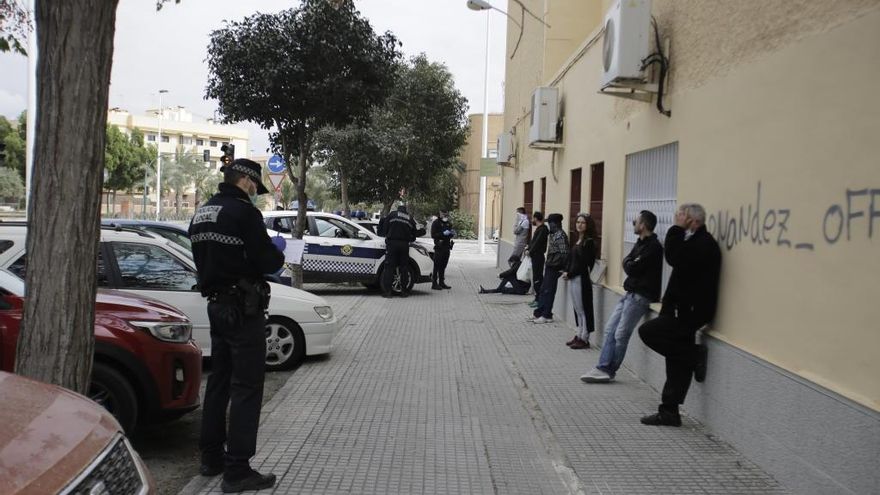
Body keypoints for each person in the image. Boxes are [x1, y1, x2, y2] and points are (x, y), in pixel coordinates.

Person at [188, 158, 285, 493]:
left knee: (219, 383)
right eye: (254, 188)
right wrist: (277, 252)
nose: (255, 195)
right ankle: (238, 470)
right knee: (247, 387)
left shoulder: (202, 212)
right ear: (245, 181)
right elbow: (268, 260)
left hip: (216, 306)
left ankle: (211, 458)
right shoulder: (244, 213)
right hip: (243, 310)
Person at [638, 203, 721, 427]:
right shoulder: (694, 240)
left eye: (681, 216)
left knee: (648, 332)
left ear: (692, 220)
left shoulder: (703, 243)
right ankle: (670, 412)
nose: (677, 218)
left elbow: (674, 257)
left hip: (689, 311)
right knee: (676, 362)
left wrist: (676, 229)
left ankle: (693, 355)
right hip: (681, 308)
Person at [581, 210, 663, 382]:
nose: (633, 224)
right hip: (629, 293)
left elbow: (633, 267)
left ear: (644, 225)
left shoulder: (653, 247)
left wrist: (630, 263)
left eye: (636, 222)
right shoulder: (640, 243)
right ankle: (602, 366)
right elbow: (627, 261)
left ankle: (609, 370)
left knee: (621, 334)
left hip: (641, 296)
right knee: (610, 329)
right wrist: (630, 262)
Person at [562, 214, 597, 349]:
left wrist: (569, 273)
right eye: (578, 222)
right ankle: (579, 334)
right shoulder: (577, 240)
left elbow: (584, 264)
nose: (579, 225)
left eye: (583, 222)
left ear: (588, 225)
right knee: (577, 308)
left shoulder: (589, 242)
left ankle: (585, 337)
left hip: (582, 279)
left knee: (584, 308)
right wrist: (565, 271)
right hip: (574, 278)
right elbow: (571, 260)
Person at [377, 203, 423, 298]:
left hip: (392, 244)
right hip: (404, 245)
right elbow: (414, 235)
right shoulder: (409, 218)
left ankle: (388, 292)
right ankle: (404, 292)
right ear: (405, 210)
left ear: (398, 209)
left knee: (389, 267)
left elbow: (384, 229)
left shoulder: (392, 215)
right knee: (404, 268)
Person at [532, 213, 568, 324]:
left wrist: (564, 268)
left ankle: (546, 315)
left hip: (555, 267)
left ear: (555, 224)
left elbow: (564, 253)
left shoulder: (560, 236)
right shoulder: (553, 235)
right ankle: (540, 313)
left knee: (549, 291)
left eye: (550, 223)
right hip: (550, 265)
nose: (548, 225)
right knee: (544, 290)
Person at [527, 211, 548, 308]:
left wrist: (530, 251)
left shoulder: (543, 229)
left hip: (538, 256)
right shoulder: (539, 229)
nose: (532, 220)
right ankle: (537, 298)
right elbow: (533, 242)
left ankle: (539, 300)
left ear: (536, 218)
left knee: (538, 278)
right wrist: (528, 248)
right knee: (536, 277)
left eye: (533, 218)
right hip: (535, 256)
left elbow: (537, 242)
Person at [430, 209, 455, 290]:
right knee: (437, 265)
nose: (445, 216)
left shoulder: (448, 223)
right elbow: (433, 235)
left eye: (446, 215)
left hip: (446, 247)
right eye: (443, 215)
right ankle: (434, 283)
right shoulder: (436, 223)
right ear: (440, 214)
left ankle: (442, 282)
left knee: (443, 266)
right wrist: (442, 234)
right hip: (439, 247)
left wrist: (452, 233)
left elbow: (450, 234)